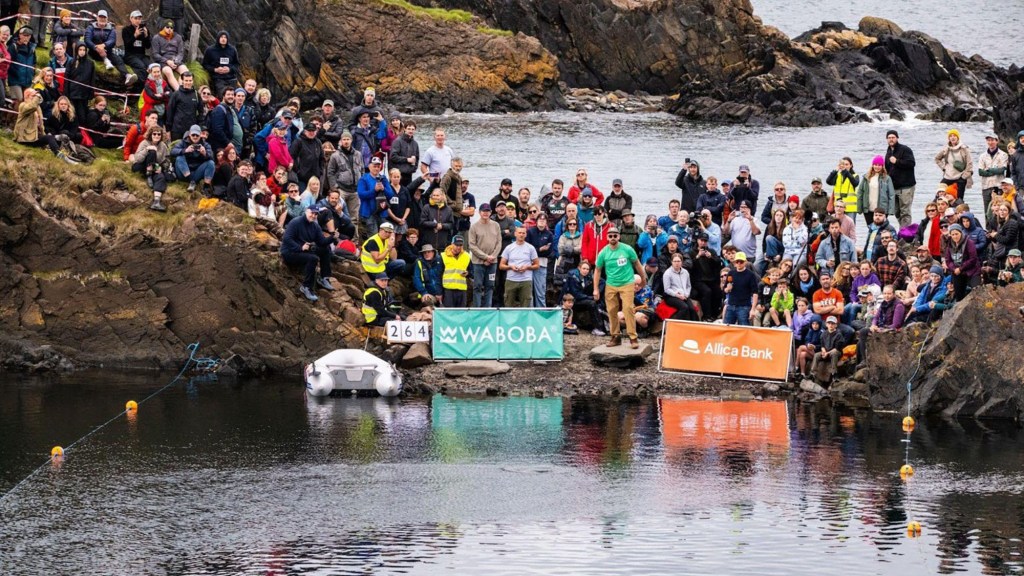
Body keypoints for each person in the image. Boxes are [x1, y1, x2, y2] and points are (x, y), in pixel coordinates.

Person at [593, 226, 645, 347]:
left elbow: (637, 264)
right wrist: (596, 289)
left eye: (615, 236)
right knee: (611, 311)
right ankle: (615, 336)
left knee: (628, 308)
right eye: (610, 236)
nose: (613, 238)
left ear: (619, 236)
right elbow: (597, 270)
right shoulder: (603, 252)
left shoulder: (627, 249)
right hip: (611, 284)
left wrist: (643, 279)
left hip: (627, 283)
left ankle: (633, 337)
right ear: (607, 237)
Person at [281, 206, 336, 302]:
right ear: (306, 211)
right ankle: (306, 287)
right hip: (290, 252)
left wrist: (332, 237)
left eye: (316, 214)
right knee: (313, 258)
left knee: (326, 249)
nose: (313, 216)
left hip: (304, 250)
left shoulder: (315, 226)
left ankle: (324, 277)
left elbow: (322, 242)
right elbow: (287, 238)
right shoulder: (296, 222)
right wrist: (300, 247)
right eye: (312, 213)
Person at [14, 89, 74, 163]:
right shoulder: (22, 105)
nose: (37, 97)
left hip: (34, 137)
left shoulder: (37, 107)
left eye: (37, 96)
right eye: (34, 96)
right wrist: (38, 96)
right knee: (50, 137)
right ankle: (57, 139)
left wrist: (44, 141)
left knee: (49, 137)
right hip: (23, 138)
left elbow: (41, 126)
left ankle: (60, 154)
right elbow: (31, 107)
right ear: (27, 96)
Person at [856, 285, 905, 365]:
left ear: (893, 294)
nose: (886, 296)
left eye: (889, 294)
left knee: (863, 331)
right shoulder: (883, 303)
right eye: (885, 293)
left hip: (891, 330)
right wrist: (873, 325)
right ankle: (860, 364)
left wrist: (881, 329)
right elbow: (876, 317)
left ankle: (865, 361)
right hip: (881, 327)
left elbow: (896, 324)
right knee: (859, 343)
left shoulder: (898, 305)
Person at [84, 11, 136, 86]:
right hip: (94, 52)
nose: (102, 19)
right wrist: (96, 48)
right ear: (97, 18)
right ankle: (105, 61)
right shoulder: (90, 27)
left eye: (104, 17)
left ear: (107, 19)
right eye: (100, 17)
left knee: (118, 60)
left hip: (108, 52)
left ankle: (127, 75)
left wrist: (103, 46)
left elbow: (112, 41)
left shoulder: (111, 29)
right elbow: (87, 40)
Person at [468, 203, 501, 307]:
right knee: (477, 286)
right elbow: (472, 246)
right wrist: (485, 257)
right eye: (483, 211)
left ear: (491, 212)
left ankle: (488, 308)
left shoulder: (496, 225)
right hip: (478, 263)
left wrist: (492, 257)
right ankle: (477, 309)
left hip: (493, 262)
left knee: (490, 286)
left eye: (487, 211)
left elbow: (499, 243)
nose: (485, 213)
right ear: (479, 212)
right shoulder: (474, 227)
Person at [131, 126, 172, 212]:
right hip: (141, 166)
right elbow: (137, 158)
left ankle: (156, 201)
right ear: (151, 134)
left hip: (155, 167)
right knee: (152, 152)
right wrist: (147, 150)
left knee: (161, 177)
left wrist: (162, 167)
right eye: (154, 134)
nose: (157, 136)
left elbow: (167, 160)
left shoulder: (163, 145)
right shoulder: (144, 143)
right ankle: (148, 175)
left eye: (159, 134)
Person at [327, 131, 365, 220]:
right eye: (344, 139)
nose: (346, 141)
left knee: (354, 217)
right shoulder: (335, 155)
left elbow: (362, 169)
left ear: (351, 140)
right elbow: (330, 172)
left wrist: (361, 184)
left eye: (348, 139)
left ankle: (354, 234)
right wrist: (335, 187)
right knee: (338, 213)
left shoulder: (358, 154)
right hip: (341, 189)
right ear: (341, 141)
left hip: (355, 190)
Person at [884, 130, 917, 228]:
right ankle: (905, 230)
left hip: (906, 187)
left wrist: (897, 161)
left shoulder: (905, 149)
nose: (891, 139)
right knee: (896, 211)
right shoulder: (888, 151)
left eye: (893, 137)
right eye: (889, 138)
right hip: (894, 187)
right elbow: (888, 169)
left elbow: (911, 163)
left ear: (897, 138)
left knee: (905, 212)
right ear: (887, 139)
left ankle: (904, 236)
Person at [500, 227, 540, 308]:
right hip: (511, 280)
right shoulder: (509, 248)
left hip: (526, 280)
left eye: (523, 233)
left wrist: (527, 267)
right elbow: (501, 265)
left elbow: (537, 265)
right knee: (508, 305)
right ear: (515, 234)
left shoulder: (530, 248)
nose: (521, 235)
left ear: (526, 235)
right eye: (519, 233)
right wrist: (510, 267)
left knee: (526, 306)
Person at [172, 125, 216, 194]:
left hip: (197, 172)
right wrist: (185, 150)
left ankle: (206, 186)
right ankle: (190, 181)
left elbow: (212, 157)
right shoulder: (183, 142)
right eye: (193, 135)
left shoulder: (205, 144)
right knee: (179, 158)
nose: (195, 137)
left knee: (211, 163)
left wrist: (205, 153)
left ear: (200, 135)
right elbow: (173, 151)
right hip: (184, 172)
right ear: (189, 134)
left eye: (197, 135)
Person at [690, 233, 723, 320]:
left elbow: (719, 263)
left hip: (711, 279)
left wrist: (711, 257)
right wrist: (697, 256)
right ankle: (706, 316)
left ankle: (715, 314)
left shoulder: (711, 251)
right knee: (707, 292)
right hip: (698, 280)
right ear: (698, 241)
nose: (703, 243)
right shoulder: (691, 252)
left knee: (718, 292)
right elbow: (689, 266)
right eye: (702, 240)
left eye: (705, 241)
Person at [357, 157, 394, 237]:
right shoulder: (363, 179)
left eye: (378, 166)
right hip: (368, 213)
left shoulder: (383, 178)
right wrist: (374, 190)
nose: (376, 168)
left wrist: (384, 189)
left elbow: (391, 195)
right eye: (374, 166)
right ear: (370, 166)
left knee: (385, 236)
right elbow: (361, 195)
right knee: (373, 236)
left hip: (382, 212)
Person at [944, 223, 980, 301]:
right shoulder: (949, 244)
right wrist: (954, 269)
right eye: (952, 234)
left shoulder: (969, 243)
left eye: (956, 234)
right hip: (957, 272)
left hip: (972, 271)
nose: (955, 236)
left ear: (961, 233)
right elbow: (948, 260)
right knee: (959, 295)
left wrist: (961, 268)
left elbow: (973, 259)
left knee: (976, 291)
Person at [978, 133, 1009, 223]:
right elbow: (980, 172)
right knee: (987, 211)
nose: (990, 142)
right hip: (986, 186)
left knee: (999, 210)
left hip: (998, 186)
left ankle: (999, 228)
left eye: (992, 140)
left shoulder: (1003, 155)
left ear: (997, 141)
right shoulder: (982, 156)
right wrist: (994, 170)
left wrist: (989, 170)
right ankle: (988, 231)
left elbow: (1002, 170)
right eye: (988, 140)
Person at [856, 155, 896, 225]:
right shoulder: (866, 177)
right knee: (870, 228)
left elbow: (891, 195)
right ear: (872, 165)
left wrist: (891, 210)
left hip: (882, 210)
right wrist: (859, 208)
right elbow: (860, 192)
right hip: (868, 209)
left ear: (882, 166)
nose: (877, 167)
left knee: (881, 229)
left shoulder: (887, 178)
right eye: (875, 164)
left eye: (879, 165)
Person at [935, 129, 973, 200]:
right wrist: (944, 168)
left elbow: (969, 164)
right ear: (949, 138)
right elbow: (937, 158)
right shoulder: (946, 148)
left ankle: (959, 210)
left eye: (954, 136)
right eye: (951, 136)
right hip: (948, 176)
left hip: (960, 177)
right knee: (940, 196)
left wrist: (963, 177)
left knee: (958, 199)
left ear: (958, 137)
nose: (952, 137)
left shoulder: (964, 149)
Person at [723, 251, 758, 325]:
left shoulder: (750, 275)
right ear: (734, 262)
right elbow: (724, 289)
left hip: (744, 306)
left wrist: (753, 309)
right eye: (737, 261)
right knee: (726, 328)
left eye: (741, 262)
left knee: (744, 328)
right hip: (731, 305)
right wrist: (728, 289)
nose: (739, 263)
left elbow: (755, 293)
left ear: (745, 262)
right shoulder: (731, 273)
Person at [151, 21, 188, 91]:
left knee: (185, 71)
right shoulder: (156, 38)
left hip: (176, 60)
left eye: (171, 27)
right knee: (168, 71)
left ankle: (182, 90)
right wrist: (167, 61)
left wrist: (176, 61)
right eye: (167, 27)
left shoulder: (178, 37)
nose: (169, 29)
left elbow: (181, 52)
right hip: (163, 61)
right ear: (163, 27)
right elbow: (155, 54)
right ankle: (178, 92)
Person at [526, 214, 554, 306]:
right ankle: (529, 312)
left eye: (544, 219)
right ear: (536, 220)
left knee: (541, 292)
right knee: (528, 292)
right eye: (540, 219)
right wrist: (539, 250)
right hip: (529, 264)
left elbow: (548, 251)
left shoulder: (549, 234)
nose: (542, 220)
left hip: (542, 264)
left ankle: (541, 312)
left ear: (546, 222)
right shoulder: (530, 232)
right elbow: (527, 249)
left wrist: (539, 250)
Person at [202, 31, 240, 98]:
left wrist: (229, 69)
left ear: (227, 39)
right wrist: (215, 69)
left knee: (232, 98)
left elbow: (237, 65)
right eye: (221, 37)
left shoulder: (232, 50)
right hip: (218, 79)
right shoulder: (210, 50)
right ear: (218, 38)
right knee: (222, 97)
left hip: (231, 78)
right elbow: (204, 65)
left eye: (225, 37)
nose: (223, 39)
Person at [65, 42, 95, 123]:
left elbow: (92, 79)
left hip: (84, 94)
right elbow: (67, 79)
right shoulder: (71, 62)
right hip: (73, 94)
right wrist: (66, 94)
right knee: (73, 115)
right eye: (80, 49)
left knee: (82, 116)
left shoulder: (90, 63)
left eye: (83, 50)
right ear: (76, 50)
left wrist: (91, 92)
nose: (82, 51)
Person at [810, 316, 846, 384]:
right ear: (826, 324)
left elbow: (837, 348)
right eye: (829, 323)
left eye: (832, 323)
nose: (831, 325)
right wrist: (823, 351)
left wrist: (827, 353)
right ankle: (812, 373)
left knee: (834, 353)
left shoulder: (838, 334)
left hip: (835, 352)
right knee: (817, 355)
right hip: (826, 351)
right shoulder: (824, 333)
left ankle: (834, 374)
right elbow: (822, 345)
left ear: (836, 325)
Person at [121, 10, 151, 88]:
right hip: (130, 55)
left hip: (141, 55)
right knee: (141, 67)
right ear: (131, 19)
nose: (138, 21)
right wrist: (135, 36)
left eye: (139, 19)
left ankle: (150, 86)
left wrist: (146, 36)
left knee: (151, 66)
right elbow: (127, 46)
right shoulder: (126, 30)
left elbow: (148, 46)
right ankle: (140, 87)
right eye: (136, 18)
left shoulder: (144, 30)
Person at [662, 253, 695, 320]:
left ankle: (695, 325)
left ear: (681, 262)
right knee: (684, 307)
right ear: (672, 262)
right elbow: (667, 289)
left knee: (692, 309)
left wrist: (687, 294)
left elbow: (688, 286)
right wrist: (677, 295)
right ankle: (676, 325)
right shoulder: (667, 273)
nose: (677, 263)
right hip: (671, 296)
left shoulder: (685, 272)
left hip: (684, 295)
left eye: (678, 261)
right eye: (675, 261)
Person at [7, 27, 35, 104]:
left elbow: (34, 62)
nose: (26, 37)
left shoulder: (32, 48)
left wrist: (32, 73)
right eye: (24, 35)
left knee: (27, 101)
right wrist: (15, 73)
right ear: (20, 35)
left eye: (28, 36)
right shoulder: (13, 46)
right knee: (18, 100)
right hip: (15, 79)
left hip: (28, 79)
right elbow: (8, 62)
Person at [441, 236, 471, 307]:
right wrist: (439, 292)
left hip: (462, 289)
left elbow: (472, 271)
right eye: (456, 245)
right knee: (449, 313)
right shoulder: (443, 256)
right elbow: (439, 274)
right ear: (452, 244)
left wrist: (468, 273)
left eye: (460, 245)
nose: (458, 247)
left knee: (461, 313)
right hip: (448, 289)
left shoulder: (467, 256)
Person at [388, 120, 419, 186]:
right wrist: (407, 159)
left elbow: (417, 158)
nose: (411, 131)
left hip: (409, 174)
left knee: (407, 194)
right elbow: (393, 156)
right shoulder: (397, 141)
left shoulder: (415, 143)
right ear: (404, 129)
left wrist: (413, 169)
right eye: (409, 129)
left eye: (413, 129)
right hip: (397, 174)